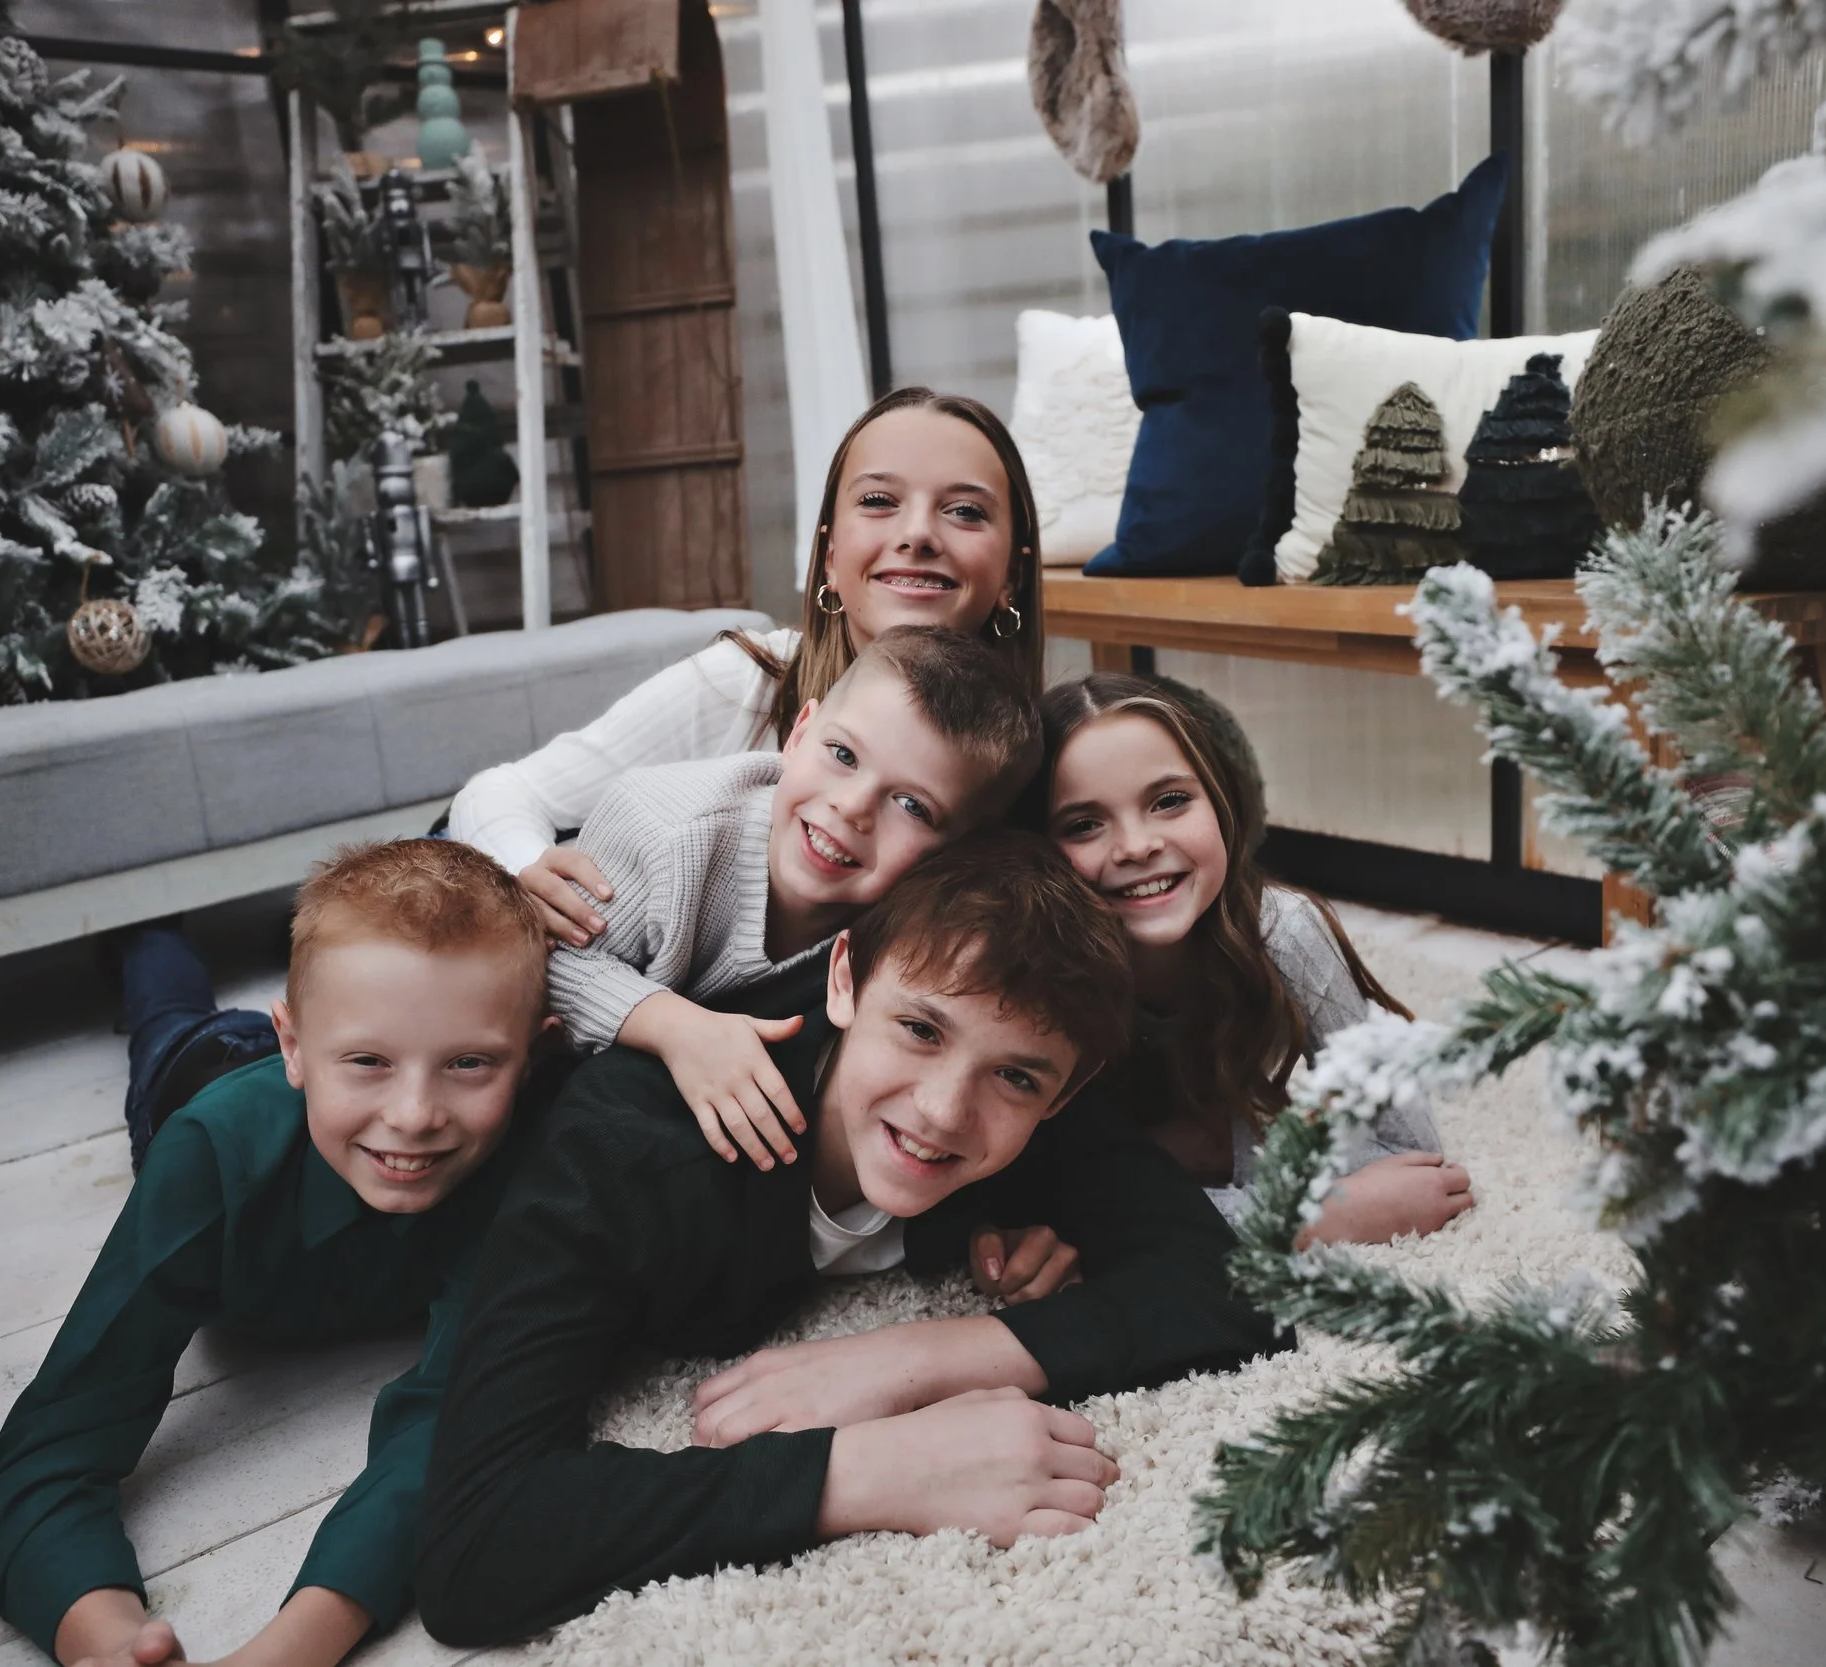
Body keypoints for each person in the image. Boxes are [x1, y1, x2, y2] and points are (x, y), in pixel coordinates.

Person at [412, 835, 1282, 1646]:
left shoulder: (1031, 1075)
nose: (943, 1109)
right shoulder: (628, 1154)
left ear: (1065, 1091)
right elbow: (477, 1544)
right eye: (920, 1030)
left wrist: (919, 1357)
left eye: (1015, 1078)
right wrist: (871, 1469)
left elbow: (1233, 1283)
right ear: (843, 980)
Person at [0, 841, 558, 1667]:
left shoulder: (535, 1161)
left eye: (469, 1062)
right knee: (166, 1018)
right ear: (295, 1047)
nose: (415, 1114)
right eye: (370, 1062)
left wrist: (287, 1652)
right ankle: (148, 934)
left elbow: (461, 1421)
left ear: (533, 1061)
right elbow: (49, 1452)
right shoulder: (207, 1156)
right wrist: (113, 1640)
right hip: (204, 1070)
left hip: (315, 1070)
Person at [447, 386, 1048, 947]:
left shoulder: (1033, 757)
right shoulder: (746, 683)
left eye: (964, 511)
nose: (917, 534)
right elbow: (498, 793)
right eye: (877, 501)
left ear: (1013, 575)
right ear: (830, 556)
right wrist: (528, 872)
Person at [549, 625, 1041, 1172]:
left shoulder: (915, 923)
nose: (852, 807)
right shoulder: (663, 827)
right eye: (843, 754)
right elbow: (550, 961)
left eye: (912, 806)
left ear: (957, 853)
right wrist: (674, 1027)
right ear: (800, 733)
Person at [1034, 672, 1474, 1245]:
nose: (1137, 846)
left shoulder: (1283, 931)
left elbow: (1413, 1160)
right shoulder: (1038, 968)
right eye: (1084, 825)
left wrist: (1222, 1160)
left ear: (1221, 804)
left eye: (1170, 801)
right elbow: (1068, 1206)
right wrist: (1311, 1218)